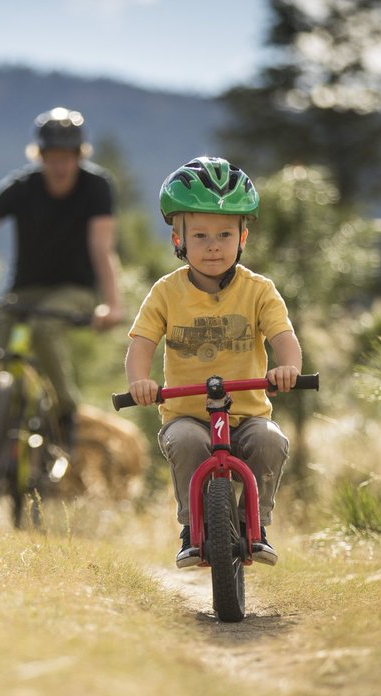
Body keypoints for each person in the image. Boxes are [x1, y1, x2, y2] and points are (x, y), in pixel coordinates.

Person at [124, 156, 302, 568]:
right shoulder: (166, 293)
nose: (213, 245)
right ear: (177, 240)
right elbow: (141, 345)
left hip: (247, 414)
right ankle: (191, 528)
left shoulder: (258, 290)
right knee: (187, 443)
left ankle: (255, 525)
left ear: (243, 238)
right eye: (200, 235)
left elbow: (283, 338)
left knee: (270, 441)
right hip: (187, 414)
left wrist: (286, 367)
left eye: (225, 233)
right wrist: (140, 381)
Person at [0, 107, 124, 448]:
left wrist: (112, 304)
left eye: (67, 157)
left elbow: (102, 249)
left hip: (73, 290)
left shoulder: (96, 188)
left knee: (44, 329)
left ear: (79, 155)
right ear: (40, 155)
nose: (60, 165)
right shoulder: (21, 187)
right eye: (52, 156)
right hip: (23, 292)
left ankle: (66, 412)